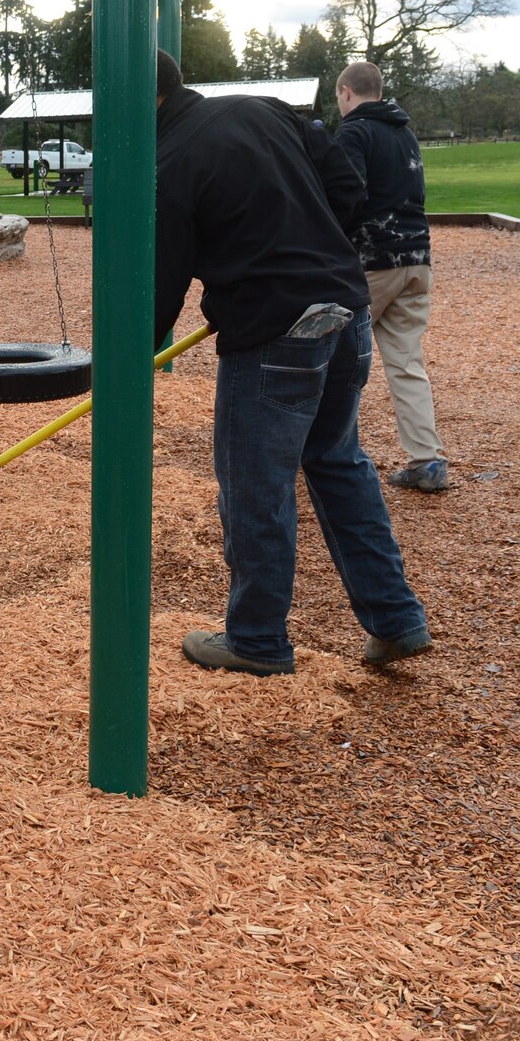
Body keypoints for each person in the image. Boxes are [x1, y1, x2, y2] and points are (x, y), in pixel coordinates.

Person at [152, 50, 432, 676]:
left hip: (275, 333)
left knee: (257, 485)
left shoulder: (167, 163)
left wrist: (129, 354)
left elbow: (160, 284)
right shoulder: (266, 109)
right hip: (346, 309)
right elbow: (348, 188)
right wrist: (310, 248)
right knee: (338, 462)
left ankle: (256, 640)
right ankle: (395, 619)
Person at [335, 61, 447, 493]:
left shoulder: (354, 133)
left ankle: (323, 454)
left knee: (332, 357)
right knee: (405, 363)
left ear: (346, 92)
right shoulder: (405, 132)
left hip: (372, 260)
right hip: (417, 259)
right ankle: (427, 460)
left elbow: (348, 195)